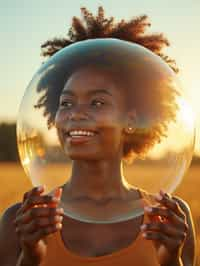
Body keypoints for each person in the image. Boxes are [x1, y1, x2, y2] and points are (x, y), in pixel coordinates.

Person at [0, 6, 196, 266]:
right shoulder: (22, 220)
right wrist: (31, 257)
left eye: (97, 103)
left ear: (132, 119)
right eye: (66, 103)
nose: (75, 114)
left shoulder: (169, 218)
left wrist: (171, 260)